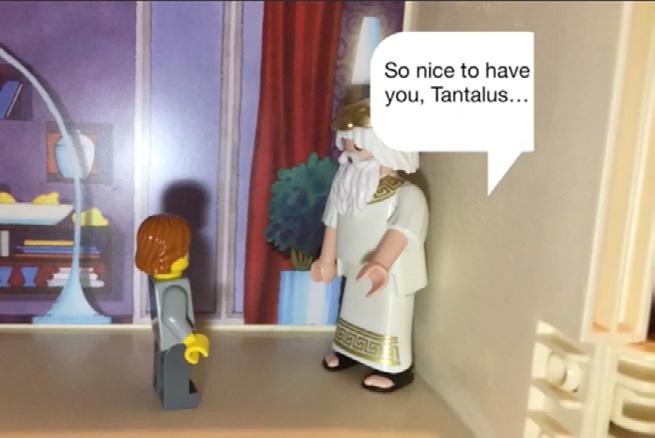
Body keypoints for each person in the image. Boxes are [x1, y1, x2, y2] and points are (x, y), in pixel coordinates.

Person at [310, 99, 428, 392]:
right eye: (346, 145)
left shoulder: (407, 194)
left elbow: (402, 231)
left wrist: (381, 263)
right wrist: (326, 260)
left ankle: (394, 368)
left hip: (387, 273)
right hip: (354, 265)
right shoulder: (346, 187)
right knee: (351, 309)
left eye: (357, 146)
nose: (350, 153)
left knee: (387, 316)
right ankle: (349, 351)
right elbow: (334, 221)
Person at [135, 214, 209, 409]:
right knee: (176, 370)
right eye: (184, 250)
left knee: (162, 365)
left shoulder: (155, 280)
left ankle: (160, 387)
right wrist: (191, 340)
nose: (187, 254)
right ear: (168, 255)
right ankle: (177, 397)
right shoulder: (174, 288)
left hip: (161, 334)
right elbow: (172, 318)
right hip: (177, 341)